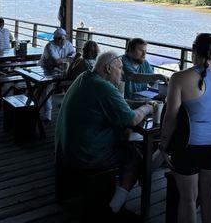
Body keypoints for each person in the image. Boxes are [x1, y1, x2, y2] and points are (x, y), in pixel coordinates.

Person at [55, 51, 155, 216]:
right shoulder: (103, 87)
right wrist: (149, 107)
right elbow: (132, 119)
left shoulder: (86, 78)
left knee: (125, 141)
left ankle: (114, 196)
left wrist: (142, 103)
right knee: (134, 158)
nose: (122, 73)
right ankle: (114, 208)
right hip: (86, 155)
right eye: (120, 68)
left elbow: (117, 102)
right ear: (108, 68)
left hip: (65, 148)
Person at [159, 33, 211, 223]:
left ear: (193, 50)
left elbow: (170, 116)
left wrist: (163, 144)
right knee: (209, 192)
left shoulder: (179, 78)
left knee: (188, 199)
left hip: (189, 143)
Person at [39, 28, 76, 122]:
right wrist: (67, 59)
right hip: (46, 70)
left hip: (62, 71)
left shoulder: (68, 44)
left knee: (73, 84)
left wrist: (63, 60)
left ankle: (67, 108)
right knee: (47, 87)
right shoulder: (49, 46)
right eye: (59, 38)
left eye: (63, 38)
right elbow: (56, 61)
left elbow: (74, 56)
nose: (62, 40)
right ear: (55, 38)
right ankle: (48, 114)